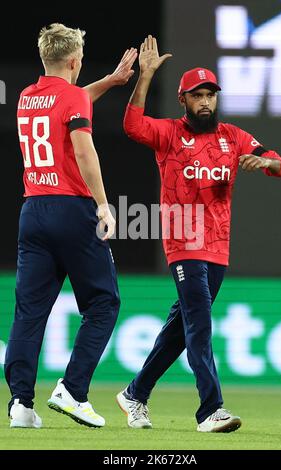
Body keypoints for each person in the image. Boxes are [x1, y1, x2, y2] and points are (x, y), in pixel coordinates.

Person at [116, 35, 281, 433]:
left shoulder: (232, 136)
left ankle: (134, 393)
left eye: (211, 94)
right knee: (200, 323)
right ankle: (210, 409)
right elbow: (132, 126)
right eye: (197, 95)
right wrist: (144, 77)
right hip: (184, 243)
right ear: (183, 100)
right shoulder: (171, 134)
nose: (206, 101)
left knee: (182, 327)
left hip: (217, 249)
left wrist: (265, 164)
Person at [5, 23, 137, 429]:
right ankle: (73, 391)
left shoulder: (27, 97)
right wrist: (103, 204)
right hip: (72, 210)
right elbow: (83, 147)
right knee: (103, 304)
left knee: (29, 312)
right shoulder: (73, 97)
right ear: (75, 61)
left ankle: (20, 405)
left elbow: (73, 99)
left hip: (33, 211)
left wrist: (111, 81)